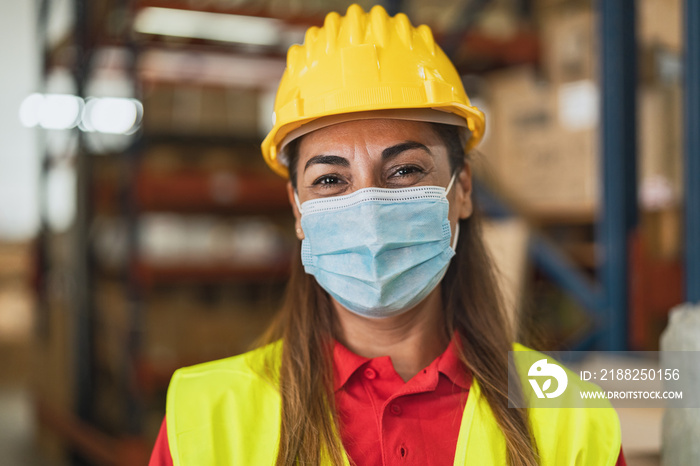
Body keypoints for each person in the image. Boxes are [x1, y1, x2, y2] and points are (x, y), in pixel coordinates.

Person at [150, 4, 625, 465]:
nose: (369, 206)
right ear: (298, 209)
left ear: (461, 191)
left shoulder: (570, 415)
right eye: (331, 180)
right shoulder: (205, 416)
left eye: (403, 170)